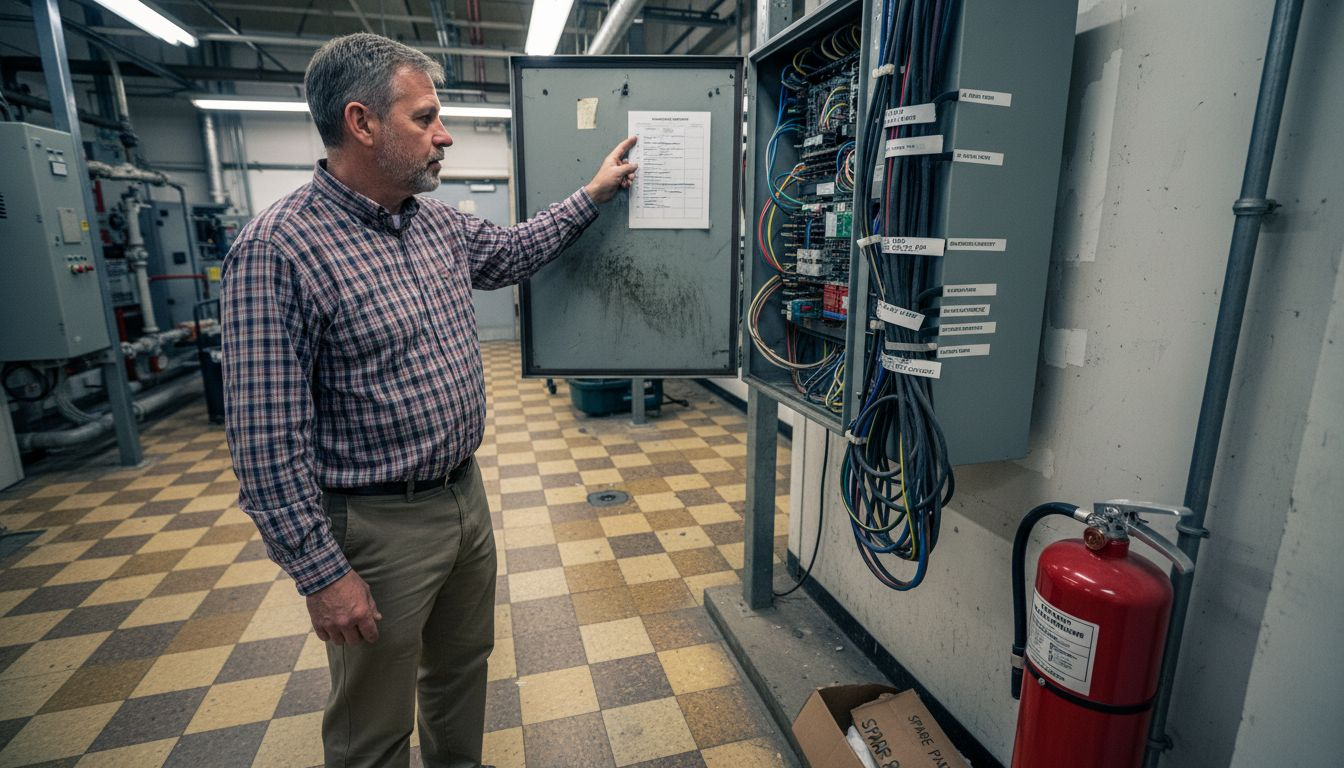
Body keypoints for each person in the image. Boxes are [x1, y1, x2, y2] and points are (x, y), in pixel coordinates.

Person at [221, 32, 637, 768]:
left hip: (463, 500)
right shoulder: (279, 249)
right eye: (425, 118)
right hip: (375, 526)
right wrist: (322, 574)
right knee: (373, 724)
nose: (444, 135)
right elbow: (265, 447)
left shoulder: (435, 224)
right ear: (361, 123)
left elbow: (511, 252)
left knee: (458, 673)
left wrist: (592, 194)